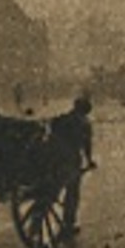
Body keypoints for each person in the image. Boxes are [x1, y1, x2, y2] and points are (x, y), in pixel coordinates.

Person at [50, 95, 95, 238]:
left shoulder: (63, 119)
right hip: (72, 160)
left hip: (57, 159)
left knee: (55, 188)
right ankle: (68, 223)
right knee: (72, 193)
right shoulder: (84, 123)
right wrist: (89, 161)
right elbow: (86, 145)